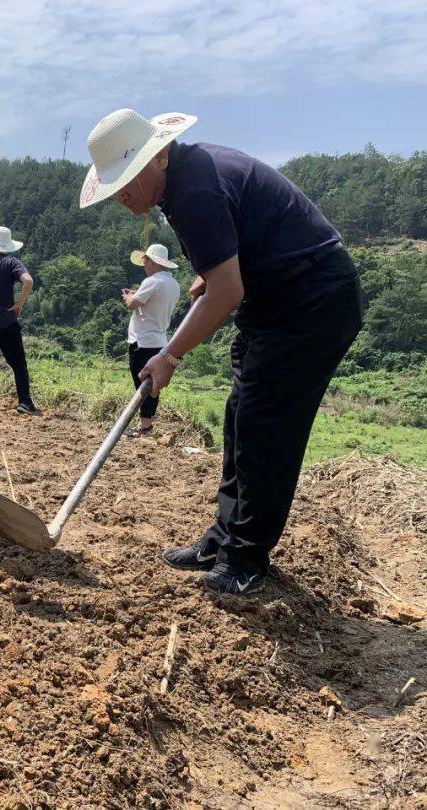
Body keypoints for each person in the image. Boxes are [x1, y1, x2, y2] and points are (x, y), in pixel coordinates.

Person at [80, 108, 362, 596]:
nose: (121, 194)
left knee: (265, 427)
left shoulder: (193, 191)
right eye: (113, 184)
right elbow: (236, 251)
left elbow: (227, 292)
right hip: (274, 296)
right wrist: (210, 272)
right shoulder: (191, 174)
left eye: (127, 179)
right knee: (240, 419)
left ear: (159, 156)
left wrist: (169, 356)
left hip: (310, 300)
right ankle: (224, 536)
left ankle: (246, 557)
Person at [0, 226, 39, 415]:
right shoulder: (11, 262)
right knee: (18, 364)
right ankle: (25, 402)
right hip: (5, 321)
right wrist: (19, 304)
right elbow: (28, 281)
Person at [122, 243, 181, 437]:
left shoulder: (152, 282)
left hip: (143, 341)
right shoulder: (174, 284)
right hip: (160, 340)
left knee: (142, 385)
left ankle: (144, 426)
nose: (144, 264)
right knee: (152, 386)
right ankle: (146, 425)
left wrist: (129, 296)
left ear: (154, 262)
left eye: (146, 260)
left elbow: (133, 304)